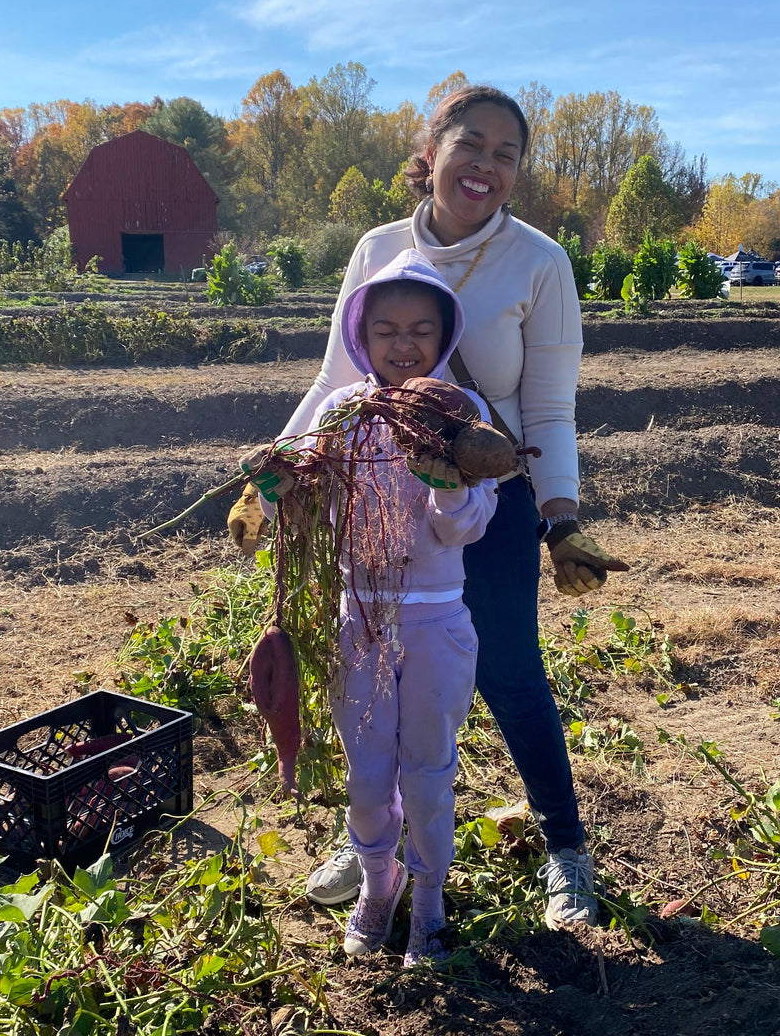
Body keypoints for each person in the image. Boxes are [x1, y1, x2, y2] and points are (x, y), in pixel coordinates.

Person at [229, 84, 627, 928]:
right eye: (471, 145)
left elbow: (550, 407)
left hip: (489, 498)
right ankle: (373, 831)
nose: (486, 166)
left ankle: (566, 851)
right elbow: (338, 380)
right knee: (367, 669)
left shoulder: (538, 262)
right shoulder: (377, 247)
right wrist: (271, 476)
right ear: (434, 150)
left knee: (510, 673)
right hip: (374, 500)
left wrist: (562, 518)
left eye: (506, 154)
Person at [254, 248, 499, 964]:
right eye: (386, 327)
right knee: (366, 775)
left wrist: (445, 484)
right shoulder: (340, 411)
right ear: (361, 333)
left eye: (421, 328)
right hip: (355, 618)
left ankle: (429, 899)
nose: (403, 342)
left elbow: (466, 527)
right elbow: (308, 500)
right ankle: (377, 880)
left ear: (444, 335)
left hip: (436, 621)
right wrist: (277, 487)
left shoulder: (460, 414)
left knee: (427, 774)